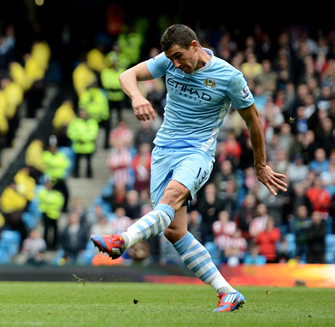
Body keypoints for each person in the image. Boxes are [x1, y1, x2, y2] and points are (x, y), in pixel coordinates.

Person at [90, 24, 287, 312]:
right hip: (162, 151)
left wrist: (260, 165)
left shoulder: (229, 76)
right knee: (173, 230)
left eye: (179, 56)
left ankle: (122, 240)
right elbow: (127, 75)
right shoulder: (169, 62)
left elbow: (253, 120)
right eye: (171, 59)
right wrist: (137, 96)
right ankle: (227, 292)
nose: (176, 64)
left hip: (197, 153)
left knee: (170, 199)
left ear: (195, 46)